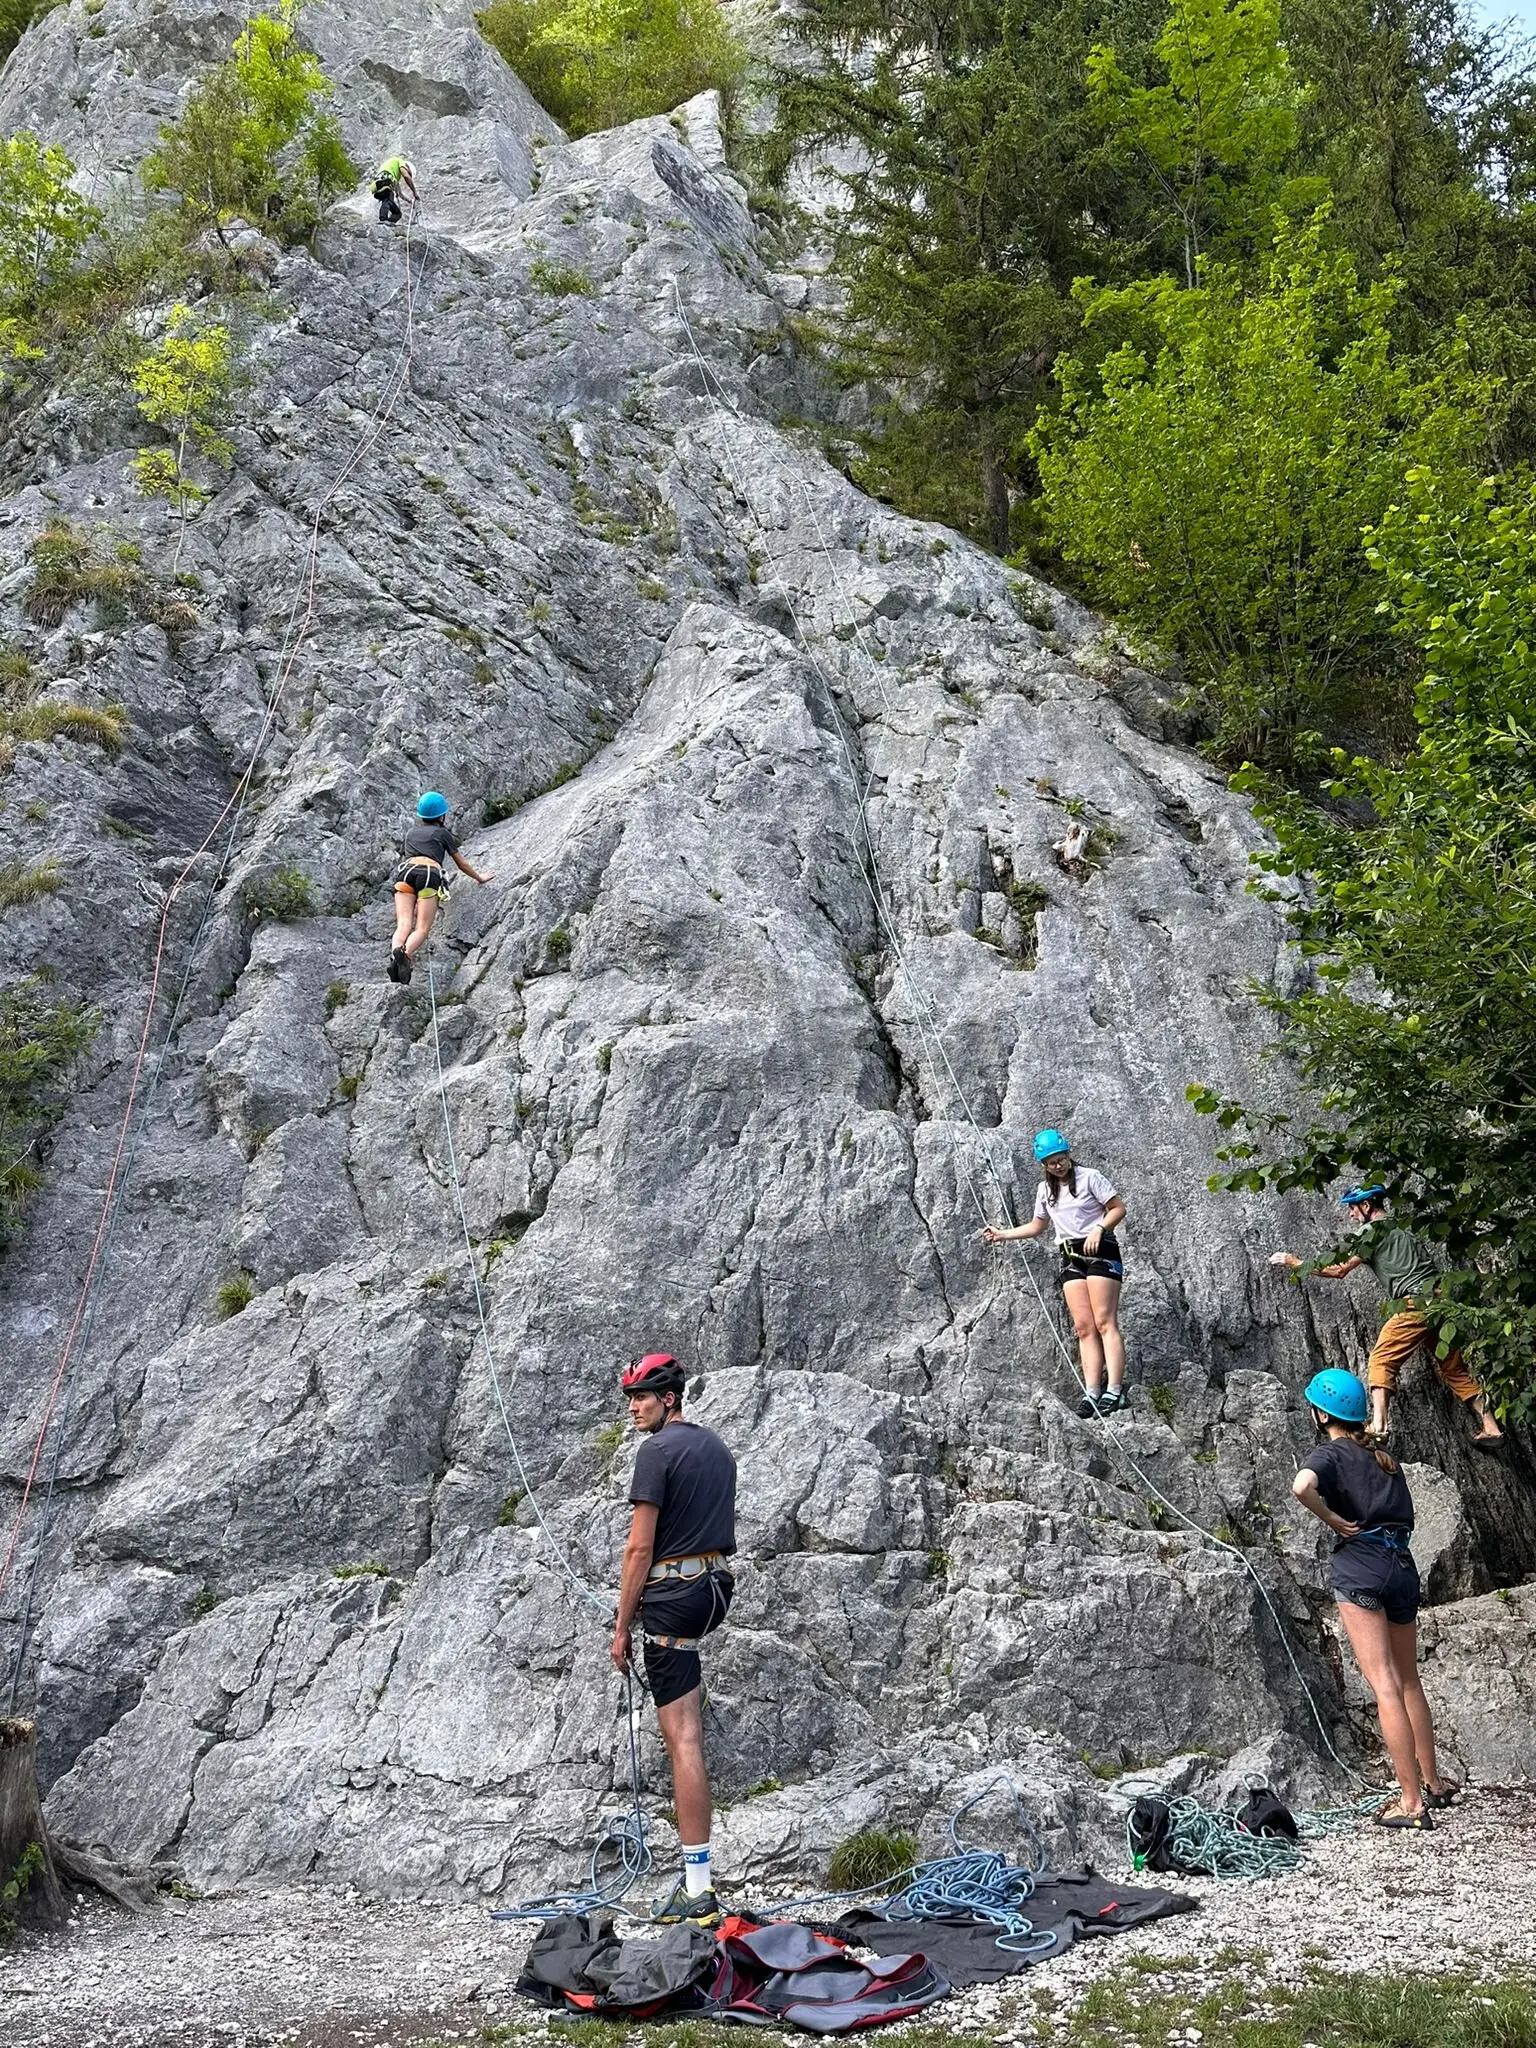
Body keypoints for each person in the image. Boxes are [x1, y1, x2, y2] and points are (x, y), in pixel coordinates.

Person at [1291, 1368, 1460, 1830]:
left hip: (1361, 1569)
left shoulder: (1328, 1454)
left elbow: (1301, 1487)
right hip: (1401, 1569)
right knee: (1409, 1682)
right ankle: (1435, 1784)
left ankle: (1411, 1804)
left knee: (1383, 1685)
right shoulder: (1385, 1458)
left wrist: (1331, 1518)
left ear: (1321, 1412)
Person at [611, 1353, 737, 1928]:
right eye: (632, 1398)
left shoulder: (655, 1452)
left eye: (642, 1397)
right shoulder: (715, 1447)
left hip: (671, 1599)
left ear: (669, 1398)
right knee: (688, 1731)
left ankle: (697, 1888)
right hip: (712, 1590)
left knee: (683, 1739)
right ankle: (698, 1880)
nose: (634, 1408)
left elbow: (639, 1549)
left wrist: (620, 1626)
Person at [1271, 1186, 1502, 1447]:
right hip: (1441, 1304)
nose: (1351, 1214)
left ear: (1367, 1206)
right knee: (1454, 1369)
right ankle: (1491, 1427)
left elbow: (1338, 1270)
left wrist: (1294, 1262)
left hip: (1415, 1304)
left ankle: (1379, 1427)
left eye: (1352, 1207)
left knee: (1381, 1360)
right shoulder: (1403, 1226)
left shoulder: (1372, 1232)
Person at [983, 1129, 1128, 1418]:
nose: (1057, 1166)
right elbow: (1038, 1227)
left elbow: (1117, 1208)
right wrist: (1003, 1234)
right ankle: (1092, 1391)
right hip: (1070, 1255)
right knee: (1084, 1327)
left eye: (1060, 1160)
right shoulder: (1045, 1190)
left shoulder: (1090, 1177)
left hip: (1100, 1249)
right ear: (1043, 1164)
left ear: (1068, 1155)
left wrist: (1100, 1228)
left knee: (1104, 1321)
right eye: (1051, 1162)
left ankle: (1114, 1389)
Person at [387, 792, 494, 983]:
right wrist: (480, 877)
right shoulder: (442, 833)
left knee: (403, 924)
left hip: (405, 873)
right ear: (441, 815)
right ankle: (406, 954)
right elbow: (461, 864)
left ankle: (395, 958)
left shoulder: (411, 833)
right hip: (429, 874)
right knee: (421, 928)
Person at [372, 156, 419, 225]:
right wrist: (415, 192)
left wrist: (410, 201)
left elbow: (399, 193)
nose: (408, 175)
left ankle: (389, 223)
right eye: (409, 173)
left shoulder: (394, 174)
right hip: (384, 181)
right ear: (407, 168)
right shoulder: (401, 162)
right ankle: (383, 219)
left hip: (376, 185)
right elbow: (406, 176)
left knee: (397, 213)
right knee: (389, 198)